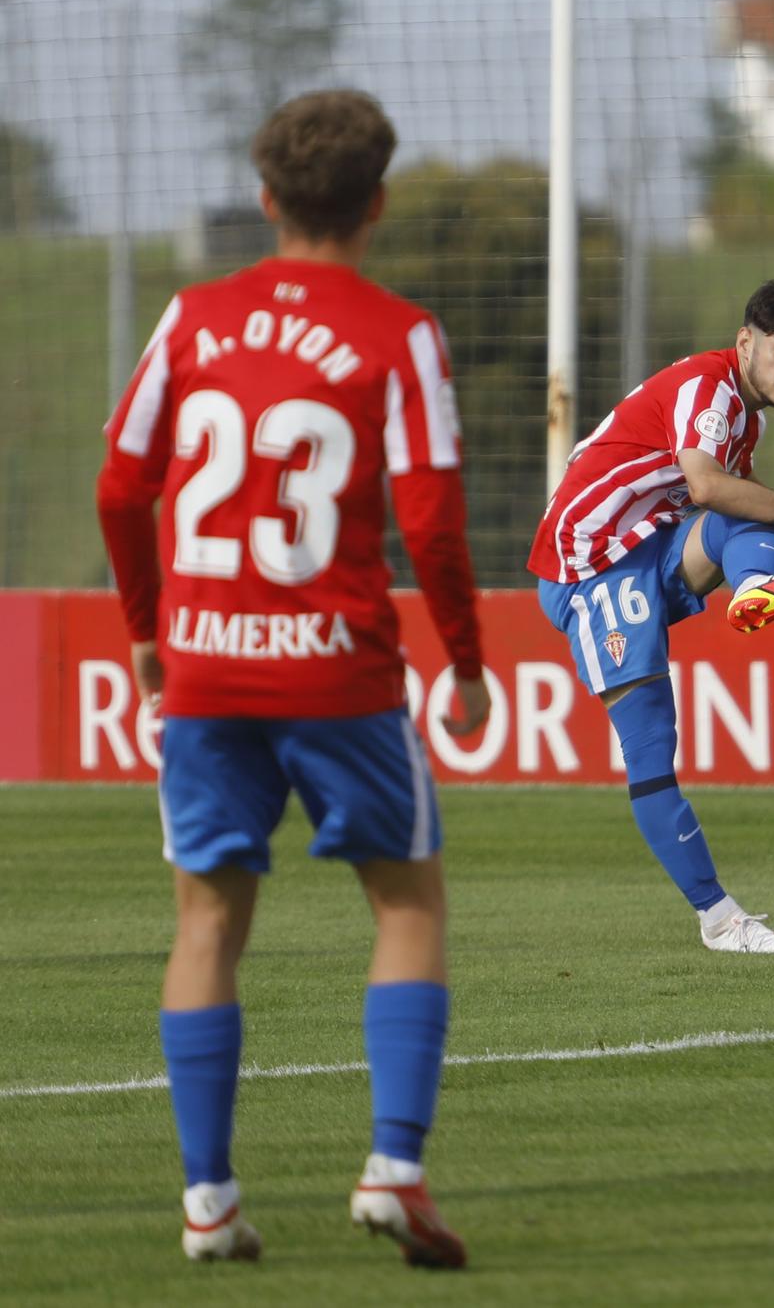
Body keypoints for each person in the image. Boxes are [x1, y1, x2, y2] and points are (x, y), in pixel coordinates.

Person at [96, 91, 487, 1267]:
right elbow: (432, 516)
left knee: (208, 920)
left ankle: (208, 1203)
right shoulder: (398, 334)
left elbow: (122, 488)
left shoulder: (189, 317)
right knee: (407, 903)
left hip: (209, 672)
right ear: (375, 203)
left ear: (265, 199)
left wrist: (146, 631)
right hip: (340, 678)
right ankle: (394, 1170)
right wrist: (466, 658)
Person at [526, 281, 774, 954]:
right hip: (588, 567)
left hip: (646, 548)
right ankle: (719, 918)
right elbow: (707, 484)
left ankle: (760, 584)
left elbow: (740, 495)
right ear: (746, 343)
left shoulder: (743, 412)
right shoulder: (710, 388)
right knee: (652, 744)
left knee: (744, 511)